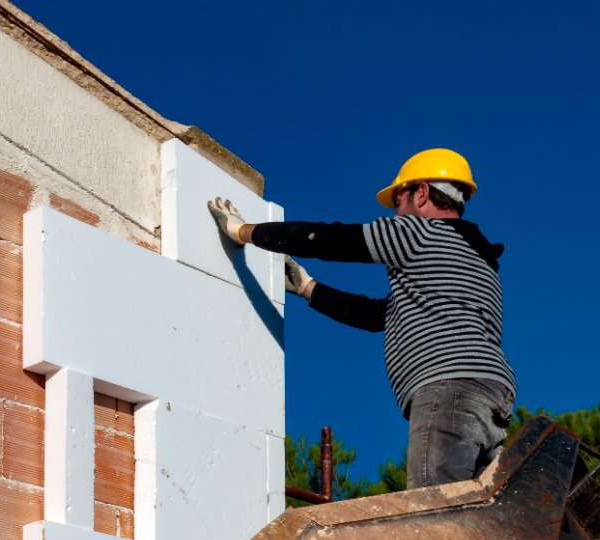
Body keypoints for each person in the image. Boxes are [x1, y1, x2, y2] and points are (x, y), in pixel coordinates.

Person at [208, 148, 516, 490]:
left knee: (433, 514)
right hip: (491, 399)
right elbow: (379, 315)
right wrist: (309, 288)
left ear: (422, 193)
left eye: (398, 203)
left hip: (448, 390)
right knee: (475, 521)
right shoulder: (480, 263)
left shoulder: (418, 233)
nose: (396, 214)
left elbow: (332, 240)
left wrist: (244, 231)